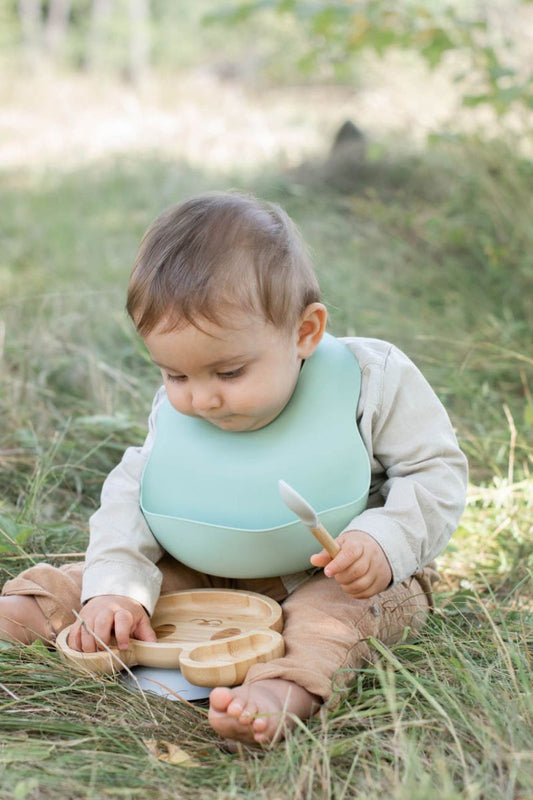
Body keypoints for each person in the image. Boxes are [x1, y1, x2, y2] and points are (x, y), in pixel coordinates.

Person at [0, 192, 468, 746]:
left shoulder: (371, 381)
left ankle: (278, 694)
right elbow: (137, 492)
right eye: (175, 376)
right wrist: (114, 589)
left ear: (304, 333)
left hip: (332, 574)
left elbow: (436, 472)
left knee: (336, 622)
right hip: (202, 566)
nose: (201, 400)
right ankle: (34, 610)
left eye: (228, 372)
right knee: (118, 581)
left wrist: (383, 541)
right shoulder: (192, 396)